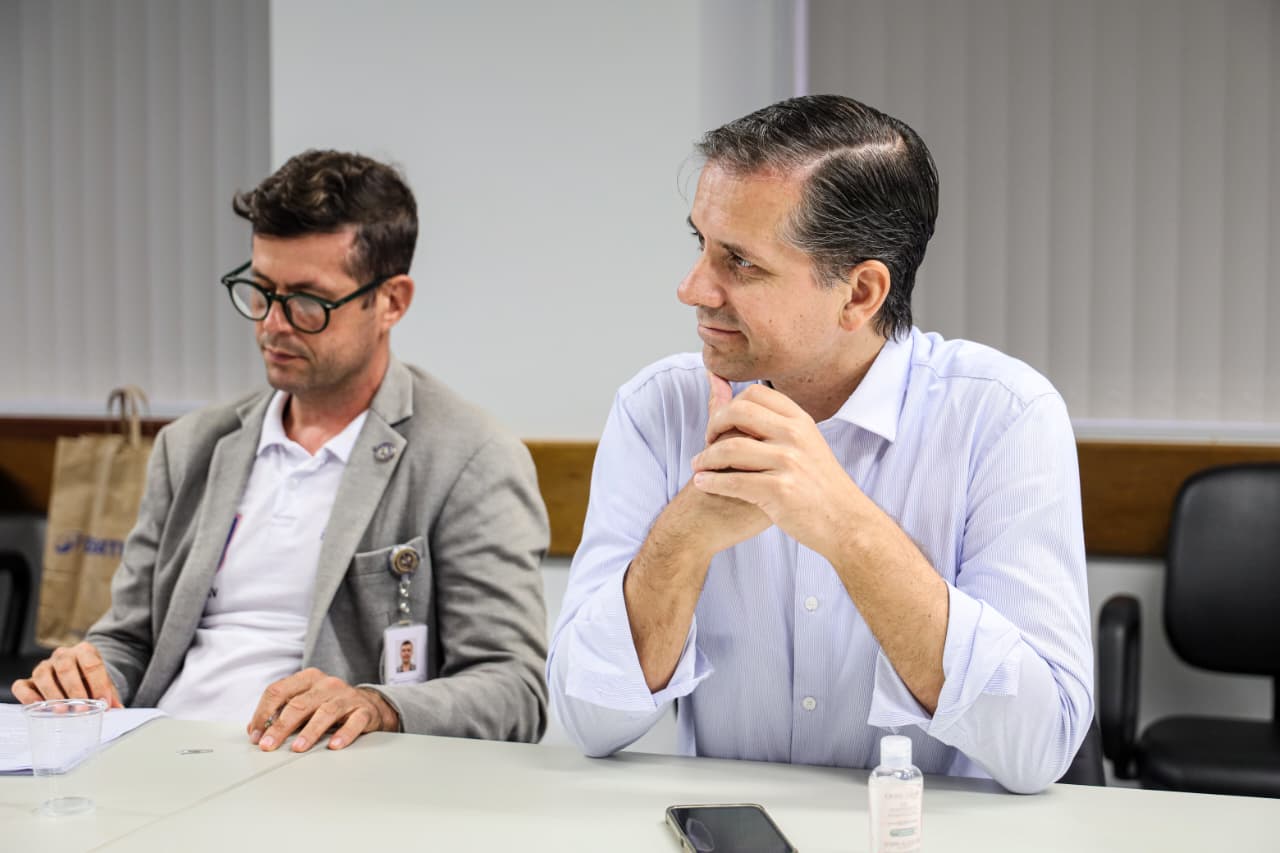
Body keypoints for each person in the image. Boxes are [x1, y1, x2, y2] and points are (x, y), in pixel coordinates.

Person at [548, 95, 1093, 794]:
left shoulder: (1005, 416)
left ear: (859, 293)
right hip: (726, 831)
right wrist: (685, 534)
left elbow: (1039, 748)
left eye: (740, 262)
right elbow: (588, 722)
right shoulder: (659, 409)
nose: (692, 289)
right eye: (700, 245)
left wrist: (845, 526)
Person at [13, 150, 550, 752]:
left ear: (392, 301)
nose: (273, 323)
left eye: (308, 301)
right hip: (158, 755)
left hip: (317, 772)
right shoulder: (191, 447)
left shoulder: (468, 458)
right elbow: (130, 641)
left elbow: (514, 689)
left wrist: (379, 705)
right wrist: (86, 675)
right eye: (260, 291)